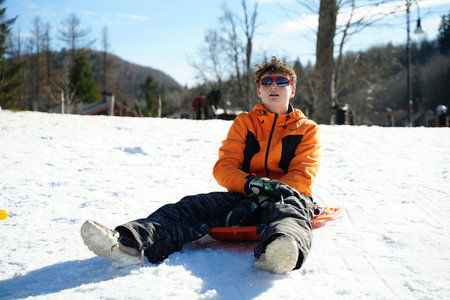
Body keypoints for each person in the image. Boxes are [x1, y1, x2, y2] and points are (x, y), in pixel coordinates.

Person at [80, 56, 321, 274]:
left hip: (287, 195)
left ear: (293, 89)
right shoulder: (245, 123)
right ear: (259, 91)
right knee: (192, 206)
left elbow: (303, 175)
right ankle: (130, 244)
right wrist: (253, 186)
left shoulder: (306, 129)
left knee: (292, 213)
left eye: (281, 81)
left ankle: (279, 252)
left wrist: (266, 195)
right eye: (267, 82)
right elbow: (224, 167)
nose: (274, 87)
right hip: (244, 194)